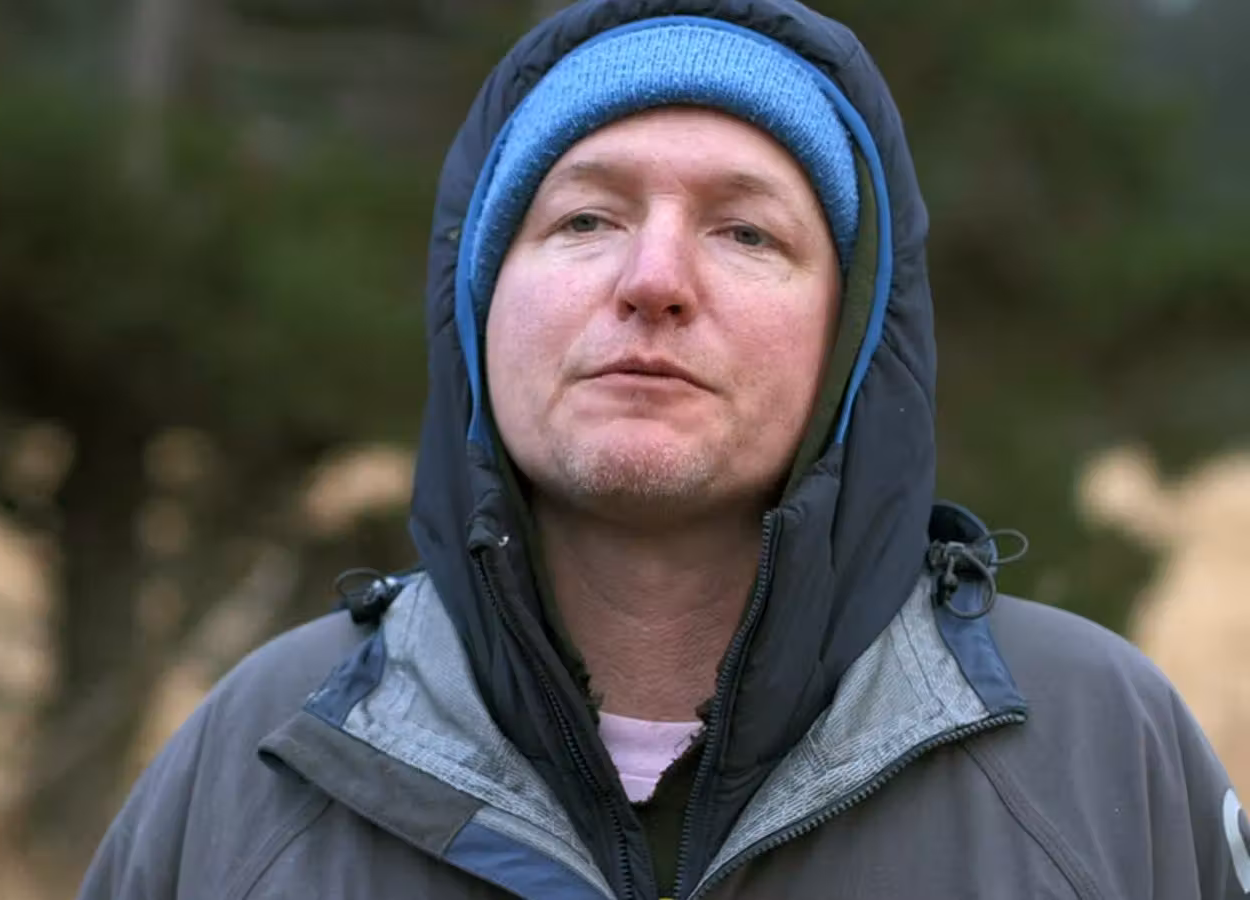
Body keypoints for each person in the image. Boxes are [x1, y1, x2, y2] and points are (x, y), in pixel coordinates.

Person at [79, 1, 1249, 897]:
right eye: (586, 218)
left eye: (746, 232)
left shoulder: (1100, 749)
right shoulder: (262, 755)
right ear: (479, 303)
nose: (654, 280)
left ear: (849, 338)